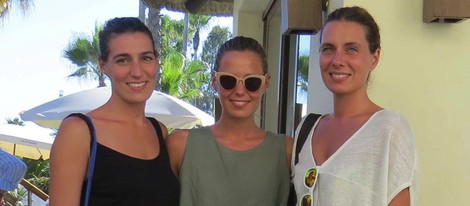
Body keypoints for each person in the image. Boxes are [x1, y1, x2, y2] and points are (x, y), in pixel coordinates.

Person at [292, 6, 418, 206]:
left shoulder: (390, 129)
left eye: (351, 49)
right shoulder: (306, 129)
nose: (337, 60)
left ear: (374, 58)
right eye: (328, 49)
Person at [48, 17, 179, 206]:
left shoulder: (159, 131)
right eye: (123, 60)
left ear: (157, 62)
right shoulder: (78, 131)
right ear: (103, 65)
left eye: (146, 58)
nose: (137, 71)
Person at [167, 36, 293, 206]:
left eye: (252, 82)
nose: (240, 91)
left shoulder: (286, 151)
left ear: (266, 83)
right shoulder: (181, 145)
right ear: (214, 81)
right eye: (228, 80)